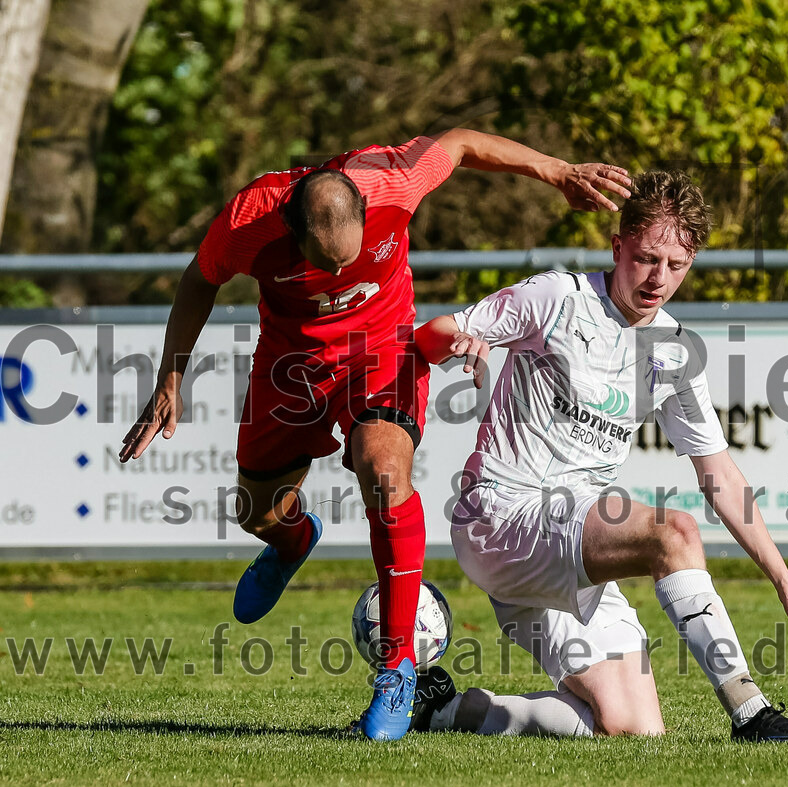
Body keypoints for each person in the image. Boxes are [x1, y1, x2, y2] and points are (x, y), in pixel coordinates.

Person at [118, 129, 631, 741]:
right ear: (291, 229)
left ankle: (397, 668)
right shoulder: (247, 220)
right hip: (292, 364)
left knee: (383, 472)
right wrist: (170, 377)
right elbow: (199, 280)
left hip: (382, 352)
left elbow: (461, 144)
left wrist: (557, 171)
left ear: (366, 211)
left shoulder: (393, 179)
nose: (340, 275)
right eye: (324, 264)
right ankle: (291, 541)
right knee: (257, 513)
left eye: (350, 259)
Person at [413, 170, 788, 741]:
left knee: (632, 727)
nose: (659, 278)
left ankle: (445, 709)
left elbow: (718, 472)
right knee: (673, 533)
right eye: (646, 258)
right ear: (617, 246)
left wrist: (785, 583)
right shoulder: (558, 298)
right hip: (501, 516)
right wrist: (460, 340)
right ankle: (753, 714)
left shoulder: (674, 352)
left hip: (568, 540)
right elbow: (432, 334)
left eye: (676, 265)